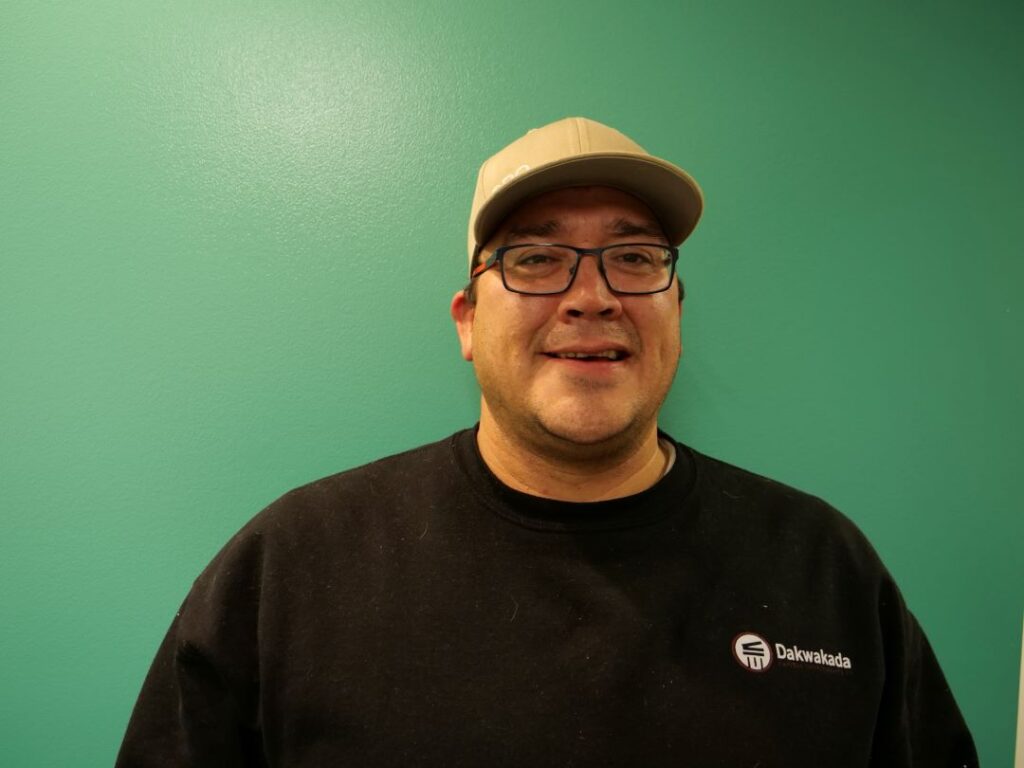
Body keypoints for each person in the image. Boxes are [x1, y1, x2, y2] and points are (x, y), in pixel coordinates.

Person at [116, 117, 977, 766]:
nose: (591, 296)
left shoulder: (823, 565)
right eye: (534, 259)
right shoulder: (292, 568)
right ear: (467, 319)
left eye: (634, 258)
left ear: (676, 310)